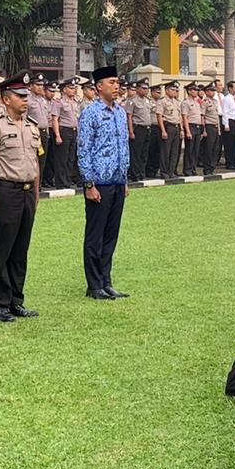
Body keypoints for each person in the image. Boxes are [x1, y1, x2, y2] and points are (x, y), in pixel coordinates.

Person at [0, 72, 43, 322]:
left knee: (20, 249)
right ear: (6, 99)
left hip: (27, 192)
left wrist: (36, 196)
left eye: (26, 95)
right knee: (1, 249)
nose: (25, 100)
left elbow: (36, 164)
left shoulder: (31, 127)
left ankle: (16, 300)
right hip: (6, 192)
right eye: (20, 96)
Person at [77, 65, 131, 300]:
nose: (116, 86)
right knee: (95, 235)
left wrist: (125, 179)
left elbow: (124, 148)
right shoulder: (91, 112)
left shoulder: (119, 112)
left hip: (117, 181)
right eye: (111, 82)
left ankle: (106, 280)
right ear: (99, 86)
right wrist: (89, 184)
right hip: (99, 181)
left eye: (117, 82)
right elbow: (83, 149)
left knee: (111, 234)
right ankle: (94, 284)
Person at [52, 78, 82, 189]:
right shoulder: (59, 102)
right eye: (71, 88)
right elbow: (55, 119)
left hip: (74, 130)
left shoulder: (75, 102)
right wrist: (58, 135)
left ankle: (68, 181)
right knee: (62, 158)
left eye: (74, 88)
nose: (73, 90)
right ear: (64, 90)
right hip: (64, 130)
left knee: (71, 158)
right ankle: (61, 182)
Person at [26, 74, 53, 186]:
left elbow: (48, 117)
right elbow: (25, 117)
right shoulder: (27, 100)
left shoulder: (43, 100)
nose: (40, 87)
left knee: (42, 160)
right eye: (37, 84)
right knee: (32, 160)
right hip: (33, 133)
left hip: (43, 132)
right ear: (31, 86)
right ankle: (31, 183)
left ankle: (39, 184)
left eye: (42, 85)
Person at [127, 80, 153, 182]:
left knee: (144, 153)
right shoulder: (132, 101)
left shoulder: (147, 101)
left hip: (147, 128)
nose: (146, 90)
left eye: (147, 88)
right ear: (137, 89)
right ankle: (135, 174)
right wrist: (131, 131)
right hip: (138, 128)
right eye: (143, 88)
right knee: (136, 153)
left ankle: (142, 173)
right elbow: (129, 116)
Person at [155, 81, 182, 178]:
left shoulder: (177, 102)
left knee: (174, 151)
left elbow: (179, 117)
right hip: (168, 126)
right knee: (165, 151)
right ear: (166, 90)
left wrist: (181, 129)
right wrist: (163, 130)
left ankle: (171, 171)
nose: (174, 92)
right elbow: (159, 116)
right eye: (172, 90)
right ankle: (164, 172)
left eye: (176, 90)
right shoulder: (162, 101)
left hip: (176, 126)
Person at [180, 81, 203, 176]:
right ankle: (187, 169)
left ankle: (193, 168)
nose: (196, 92)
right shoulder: (186, 103)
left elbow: (200, 116)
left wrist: (202, 129)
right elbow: (184, 117)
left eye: (197, 90)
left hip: (197, 127)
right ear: (189, 91)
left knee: (196, 150)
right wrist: (187, 131)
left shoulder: (197, 103)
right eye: (194, 90)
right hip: (190, 126)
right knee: (189, 149)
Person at [201, 81, 221, 175]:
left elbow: (217, 116)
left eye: (214, 91)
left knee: (215, 149)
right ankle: (207, 168)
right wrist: (203, 130)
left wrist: (219, 130)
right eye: (211, 91)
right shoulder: (204, 102)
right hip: (209, 126)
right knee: (208, 149)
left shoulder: (215, 101)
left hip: (215, 126)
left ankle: (212, 167)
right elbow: (202, 116)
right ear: (206, 92)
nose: (213, 92)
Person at [222, 80, 235, 169]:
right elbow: (225, 112)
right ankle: (229, 162)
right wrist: (226, 124)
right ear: (230, 88)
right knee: (229, 143)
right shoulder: (227, 99)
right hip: (230, 121)